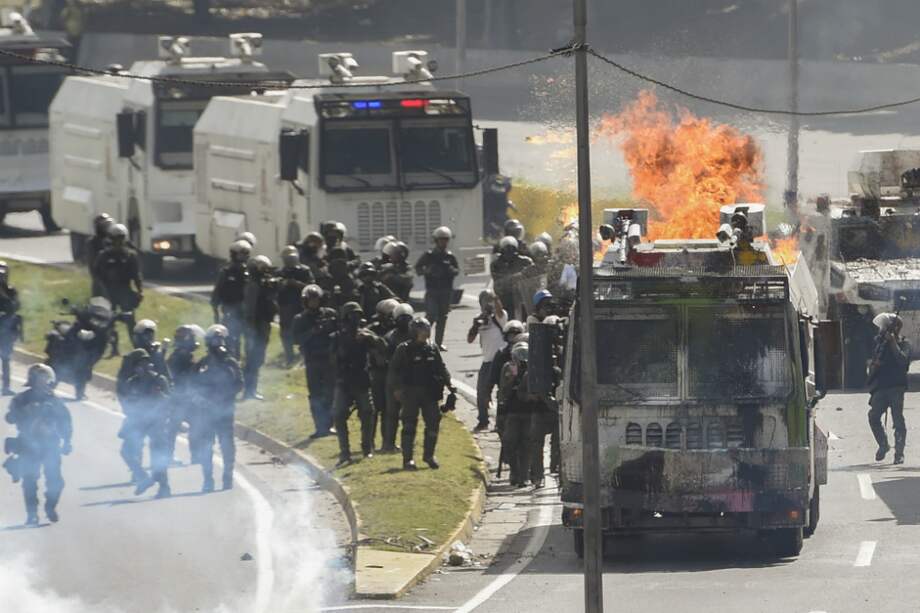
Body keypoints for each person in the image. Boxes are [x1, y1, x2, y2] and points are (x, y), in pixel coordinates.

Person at [5, 364, 71, 525]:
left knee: (56, 481)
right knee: (30, 480)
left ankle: (50, 507)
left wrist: (67, 440)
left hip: (51, 445)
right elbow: (10, 418)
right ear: (32, 380)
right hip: (28, 444)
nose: (43, 381)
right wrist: (23, 411)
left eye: (45, 377)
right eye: (40, 378)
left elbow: (66, 421)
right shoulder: (21, 399)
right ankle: (32, 514)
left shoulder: (54, 400)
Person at [389, 317, 454, 470]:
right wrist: (397, 389)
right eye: (422, 329)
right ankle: (408, 459)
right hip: (410, 392)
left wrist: (449, 383)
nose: (426, 332)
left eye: (427, 329)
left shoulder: (432, 348)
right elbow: (393, 371)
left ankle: (429, 455)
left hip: (430, 393)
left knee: (433, 423)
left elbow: (441, 367)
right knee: (409, 425)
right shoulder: (403, 349)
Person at [193, 324, 244, 491]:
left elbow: (239, 384)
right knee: (206, 445)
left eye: (221, 339)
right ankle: (208, 479)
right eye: (215, 340)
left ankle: (227, 477)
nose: (218, 343)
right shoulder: (203, 364)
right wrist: (201, 399)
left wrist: (226, 397)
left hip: (224, 410)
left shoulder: (230, 362)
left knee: (227, 445)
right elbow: (192, 384)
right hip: (206, 411)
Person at [330, 302, 380, 465]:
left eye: (358, 316)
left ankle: (367, 448)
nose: (355, 320)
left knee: (367, 413)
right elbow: (331, 359)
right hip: (344, 382)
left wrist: (371, 338)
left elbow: (382, 347)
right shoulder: (336, 336)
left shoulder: (366, 335)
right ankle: (344, 452)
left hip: (361, 381)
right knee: (338, 415)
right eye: (352, 316)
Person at [122, 350, 173, 498]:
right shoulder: (132, 382)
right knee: (126, 451)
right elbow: (127, 402)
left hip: (156, 420)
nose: (142, 367)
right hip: (138, 420)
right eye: (139, 364)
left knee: (157, 454)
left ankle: (164, 487)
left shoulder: (159, 380)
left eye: (144, 363)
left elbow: (169, 401)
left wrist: (160, 396)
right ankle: (143, 477)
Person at [499, 341, 549, 488]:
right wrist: (512, 378)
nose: (521, 360)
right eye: (518, 356)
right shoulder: (508, 369)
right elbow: (503, 392)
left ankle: (524, 476)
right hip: (512, 412)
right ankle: (515, 472)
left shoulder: (533, 370)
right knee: (510, 442)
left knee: (526, 445)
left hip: (529, 412)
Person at [292, 285, 338, 438]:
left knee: (330, 393)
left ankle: (330, 425)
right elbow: (296, 339)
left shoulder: (330, 314)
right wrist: (313, 331)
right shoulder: (300, 319)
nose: (314, 303)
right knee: (316, 394)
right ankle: (320, 427)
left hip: (329, 359)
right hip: (312, 360)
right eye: (311, 300)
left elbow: (339, 332)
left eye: (316, 300)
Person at [867, 312, 911, 464]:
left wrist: (892, 343)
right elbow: (873, 363)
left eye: (885, 327)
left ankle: (899, 453)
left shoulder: (904, 344)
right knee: (873, 416)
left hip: (896, 387)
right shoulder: (880, 344)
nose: (882, 330)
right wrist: (874, 365)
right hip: (881, 386)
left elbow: (903, 362)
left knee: (898, 420)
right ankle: (883, 445)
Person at [93, 223, 143, 354]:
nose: (118, 242)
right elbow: (97, 275)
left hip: (125, 291)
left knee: (130, 321)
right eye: (116, 238)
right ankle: (113, 348)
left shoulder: (130, 255)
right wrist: (102, 291)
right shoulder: (103, 256)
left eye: (121, 238)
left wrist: (139, 290)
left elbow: (136, 274)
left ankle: (137, 347)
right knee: (109, 321)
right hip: (108, 291)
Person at [467, 290, 508, 432]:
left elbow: (500, 310)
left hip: (501, 360)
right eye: (484, 301)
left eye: (489, 300)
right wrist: (476, 326)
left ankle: (501, 423)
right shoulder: (479, 319)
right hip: (487, 361)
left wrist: (495, 299)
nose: (487, 303)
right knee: (482, 392)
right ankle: (483, 420)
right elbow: (470, 339)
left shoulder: (500, 317)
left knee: (504, 392)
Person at [415, 227, 459, 351]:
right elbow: (418, 268)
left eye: (446, 239)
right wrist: (428, 270)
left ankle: (438, 343)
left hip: (446, 291)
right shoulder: (429, 255)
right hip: (432, 290)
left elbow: (457, 271)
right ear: (436, 240)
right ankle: (422, 340)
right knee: (431, 316)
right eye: (441, 240)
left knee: (443, 317)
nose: (444, 242)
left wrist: (449, 269)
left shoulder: (450, 257)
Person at [242, 255, 278, 400]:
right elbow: (250, 309)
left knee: (257, 358)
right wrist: (251, 328)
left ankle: (251, 390)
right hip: (255, 326)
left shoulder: (263, 284)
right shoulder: (253, 285)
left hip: (262, 324)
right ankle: (249, 391)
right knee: (252, 359)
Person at [166, 324, 202, 464]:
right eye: (191, 338)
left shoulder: (186, 356)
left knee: (196, 424)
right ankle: (167, 456)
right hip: (179, 397)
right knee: (173, 426)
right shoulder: (179, 357)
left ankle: (196, 455)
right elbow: (179, 377)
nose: (194, 341)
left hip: (188, 397)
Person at [381, 303, 414, 453]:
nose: (405, 321)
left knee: (409, 415)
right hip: (394, 380)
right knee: (392, 413)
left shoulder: (415, 336)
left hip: (411, 381)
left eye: (407, 318)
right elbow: (387, 361)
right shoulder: (390, 337)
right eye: (402, 318)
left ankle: (406, 445)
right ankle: (388, 444)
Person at [210, 240, 251, 359]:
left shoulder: (249, 272)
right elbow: (218, 290)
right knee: (232, 337)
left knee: (249, 337)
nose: (244, 257)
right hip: (230, 309)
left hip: (246, 310)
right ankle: (233, 358)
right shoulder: (226, 272)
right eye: (241, 254)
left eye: (246, 254)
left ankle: (247, 362)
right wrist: (215, 306)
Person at [278, 245, 315, 366]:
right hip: (285, 307)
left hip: (301, 305)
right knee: (286, 332)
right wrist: (282, 284)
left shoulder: (304, 271)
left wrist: (295, 284)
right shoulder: (280, 272)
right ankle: (289, 356)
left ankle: (305, 356)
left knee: (304, 331)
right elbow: (274, 289)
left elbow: (311, 287)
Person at [491, 236, 533, 320]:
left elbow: (533, 273)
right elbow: (497, 280)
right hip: (505, 295)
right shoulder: (496, 264)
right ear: (502, 251)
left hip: (522, 295)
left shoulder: (525, 261)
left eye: (512, 249)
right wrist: (513, 278)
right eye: (507, 250)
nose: (509, 253)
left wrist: (525, 274)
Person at [0, 261, 22, 395]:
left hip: (6, 329)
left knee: (6, 358)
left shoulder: (11, 291)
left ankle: (6, 387)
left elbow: (15, 307)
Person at [86, 213, 114, 294]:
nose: (108, 228)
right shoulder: (92, 242)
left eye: (109, 225)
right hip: (100, 279)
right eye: (105, 225)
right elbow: (92, 264)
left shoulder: (111, 241)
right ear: (99, 227)